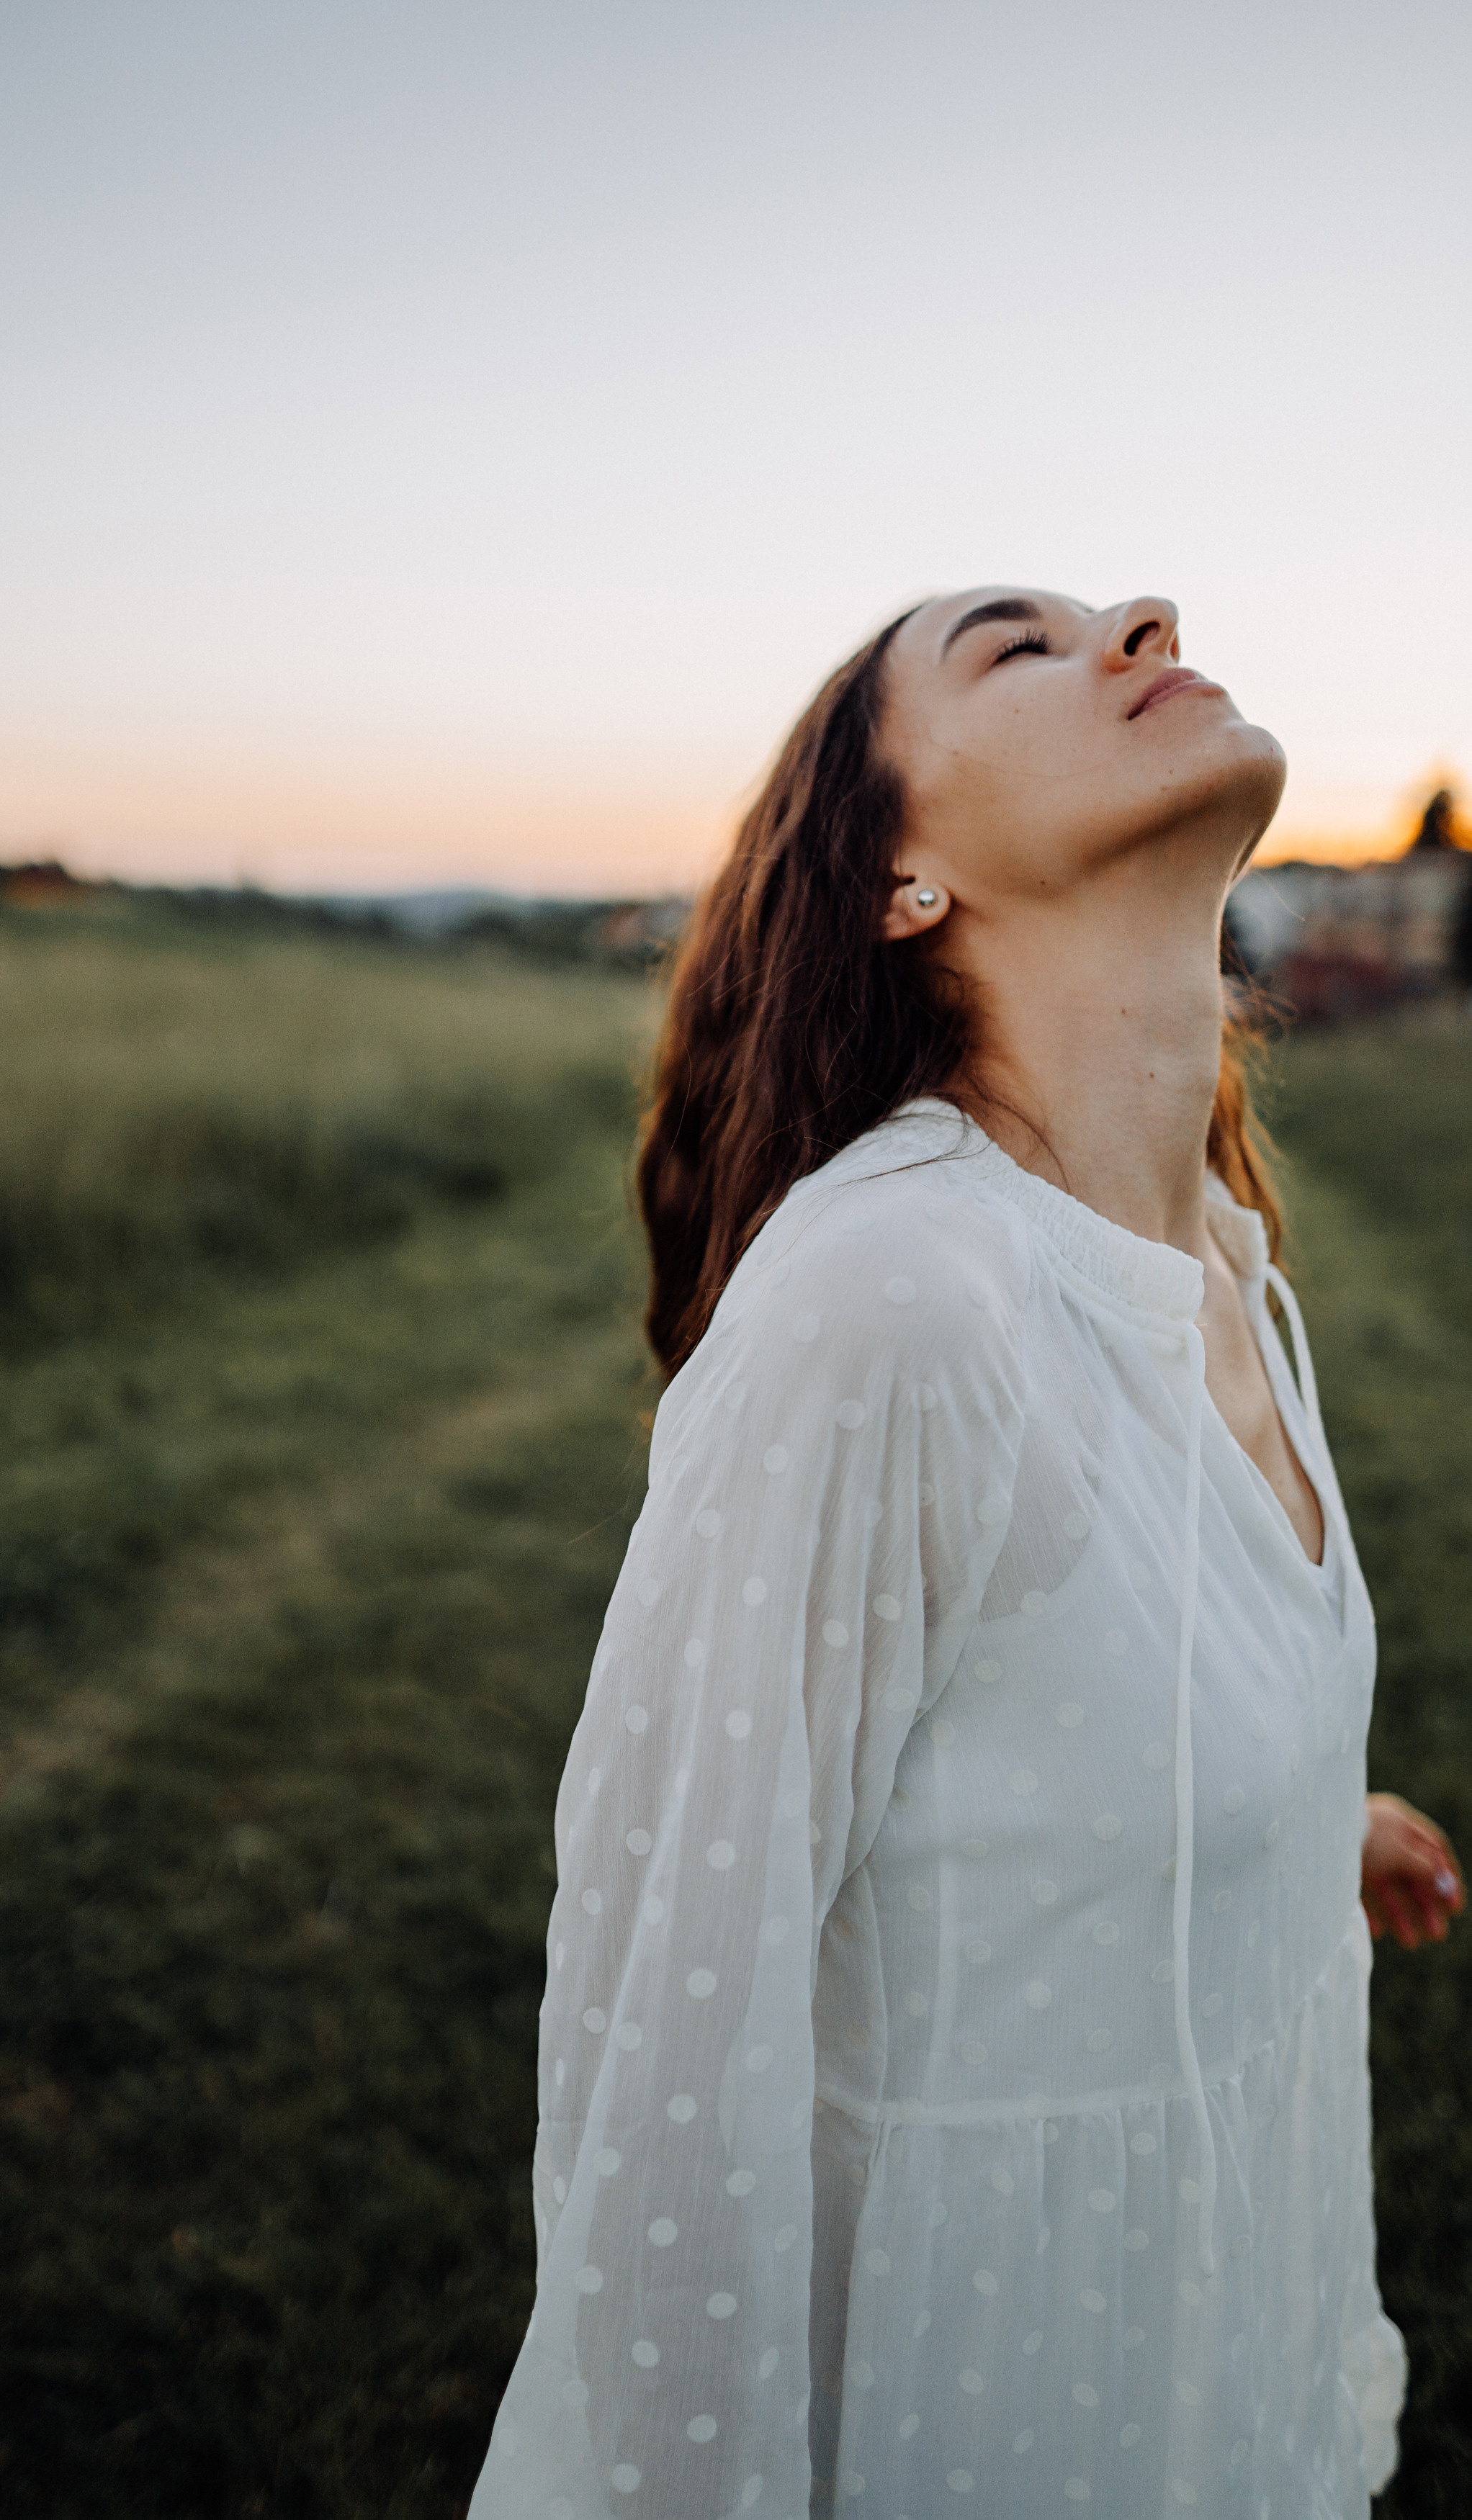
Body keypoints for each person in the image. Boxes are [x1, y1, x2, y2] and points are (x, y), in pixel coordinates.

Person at [467, 590, 1463, 2519]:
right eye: (1017, 647)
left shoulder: (1223, 1275)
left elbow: (1046, 1726)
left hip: (1218, 2379)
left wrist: (1285, 1821)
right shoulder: (890, 1295)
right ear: (898, 874)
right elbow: (671, 2053)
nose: (1142, 620)